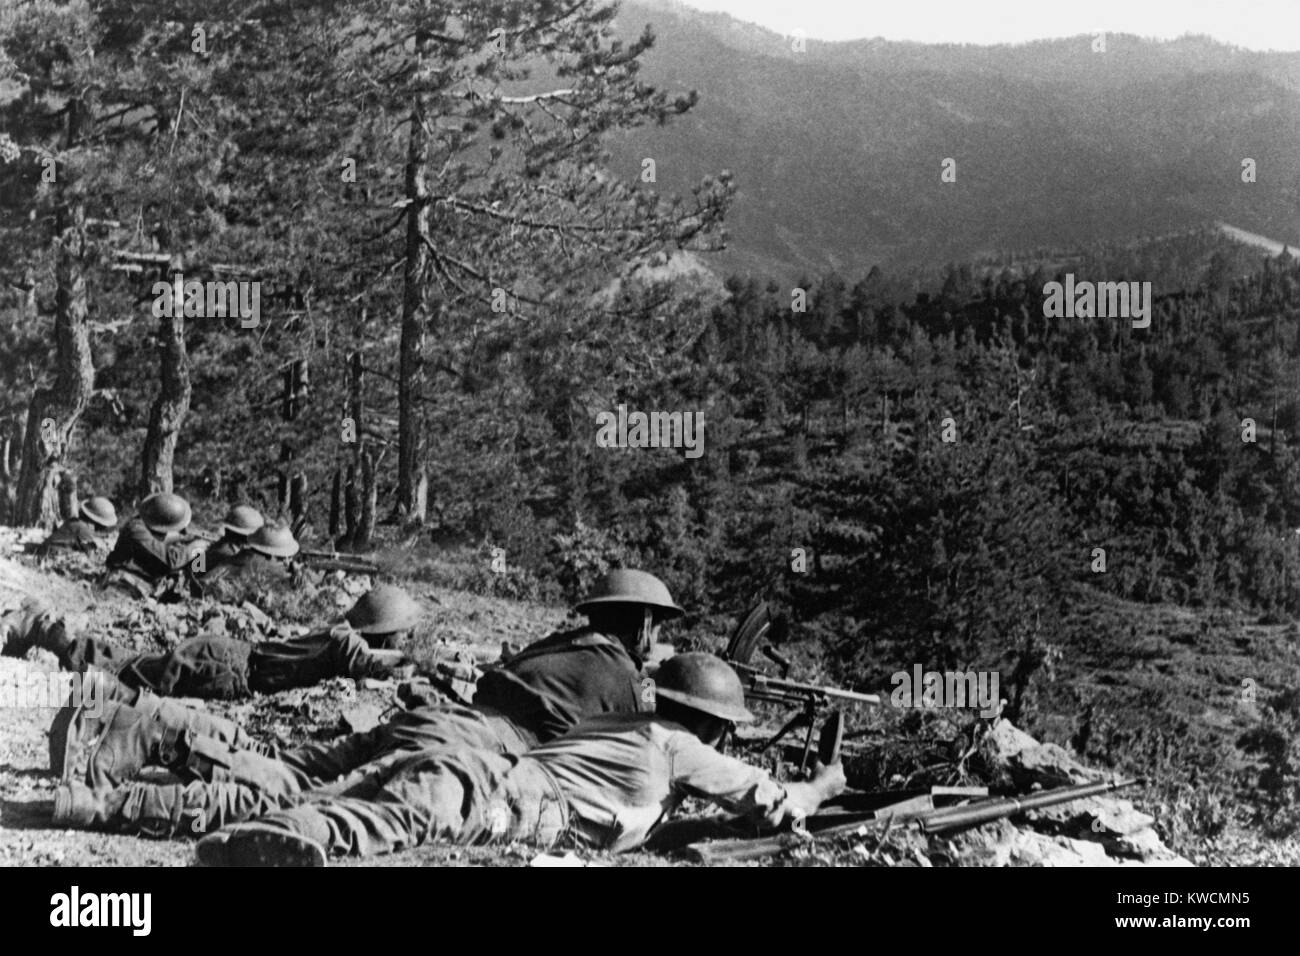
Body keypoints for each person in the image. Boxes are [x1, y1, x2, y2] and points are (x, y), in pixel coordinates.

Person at [48, 571, 692, 839]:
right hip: (469, 752)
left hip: (437, 723)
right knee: (301, 803)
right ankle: (106, 806)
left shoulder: (559, 646)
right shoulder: (621, 676)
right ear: (638, 625)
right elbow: (646, 749)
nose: (656, 640)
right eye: (655, 628)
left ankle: (141, 729)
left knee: (292, 769)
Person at [187, 653, 847, 866]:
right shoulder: (679, 746)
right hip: (495, 798)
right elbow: (775, 803)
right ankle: (246, 849)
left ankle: (219, 833)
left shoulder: (620, 726)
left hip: (467, 766)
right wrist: (821, 785)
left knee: (332, 804)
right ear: (708, 721)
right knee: (374, 831)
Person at [101, 493, 196, 598]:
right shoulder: (137, 529)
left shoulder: (149, 524)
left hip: (142, 577)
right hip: (123, 581)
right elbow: (170, 560)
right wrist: (196, 546)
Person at [37, 497, 118, 555]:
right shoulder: (85, 529)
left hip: (47, 548)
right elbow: (89, 554)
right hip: (52, 553)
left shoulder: (76, 521)